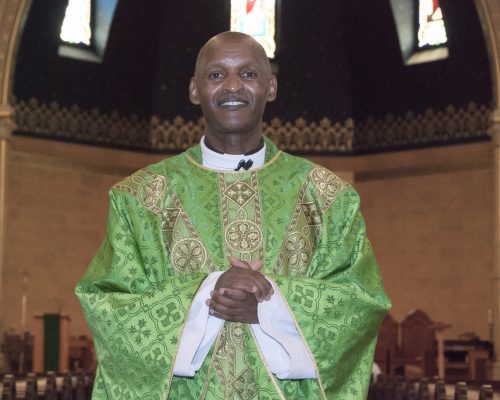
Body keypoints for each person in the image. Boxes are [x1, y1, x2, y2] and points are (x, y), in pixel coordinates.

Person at [76, 31, 391, 399]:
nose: (232, 86)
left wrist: (270, 306)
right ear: (194, 90)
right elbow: (107, 303)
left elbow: (361, 301)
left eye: (248, 74)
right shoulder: (139, 198)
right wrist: (211, 292)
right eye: (216, 75)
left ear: (271, 87)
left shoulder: (327, 197)